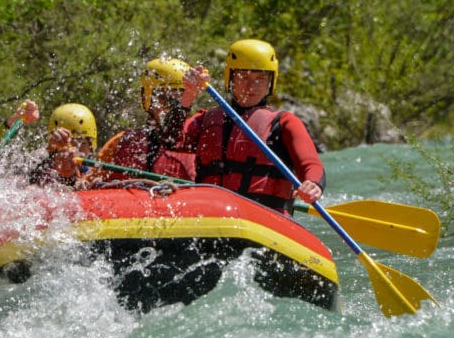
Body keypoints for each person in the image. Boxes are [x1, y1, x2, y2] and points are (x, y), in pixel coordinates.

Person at [179, 39, 325, 215]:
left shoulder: (284, 123)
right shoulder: (205, 120)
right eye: (244, 77)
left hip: (263, 219)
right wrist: (188, 97)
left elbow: (311, 165)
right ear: (230, 78)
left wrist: (313, 184)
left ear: (271, 81)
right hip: (209, 215)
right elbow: (169, 140)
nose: (252, 86)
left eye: (260, 79)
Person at [96, 57, 198, 182]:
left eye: (180, 101)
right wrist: (67, 174)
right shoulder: (121, 142)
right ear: (148, 98)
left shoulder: (196, 142)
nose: (173, 109)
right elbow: (86, 184)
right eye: (165, 99)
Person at [27, 103, 100, 189]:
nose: (74, 150)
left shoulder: (94, 173)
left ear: (91, 146)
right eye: (68, 144)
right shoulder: (44, 170)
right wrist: (47, 151)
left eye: (82, 143)